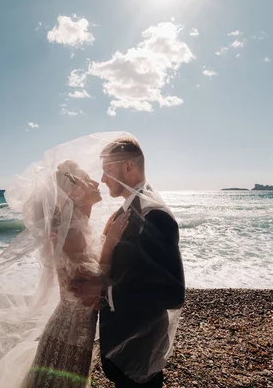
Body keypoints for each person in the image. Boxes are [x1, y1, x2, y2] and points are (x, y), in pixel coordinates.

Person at [0, 132, 133, 388]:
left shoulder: (77, 225)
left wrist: (107, 234)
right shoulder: (70, 232)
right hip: (68, 336)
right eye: (86, 179)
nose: (96, 182)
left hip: (74, 334)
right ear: (72, 193)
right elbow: (93, 282)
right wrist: (113, 241)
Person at [72, 137, 185, 388]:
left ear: (128, 167)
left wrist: (104, 292)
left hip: (140, 351)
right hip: (125, 349)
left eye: (107, 170)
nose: (102, 179)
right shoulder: (125, 212)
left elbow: (172, 293)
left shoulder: (153, 215)